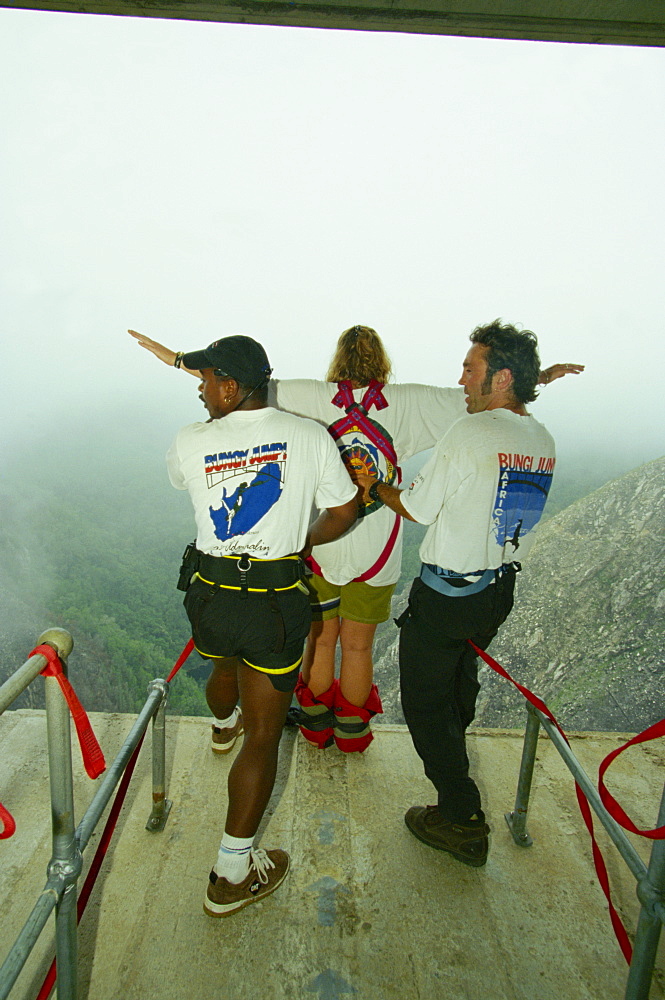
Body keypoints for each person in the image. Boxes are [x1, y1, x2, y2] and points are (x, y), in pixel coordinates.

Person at [129, 326, 582, 755]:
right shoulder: (412, 402)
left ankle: (314, 725)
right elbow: (489, 395)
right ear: (383, 363)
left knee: (320, 643)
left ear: (337, 360)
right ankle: (351, 732)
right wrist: (538, 377)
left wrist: (174, 359)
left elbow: (243, 381)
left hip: (321, 540)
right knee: (360, 646)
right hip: (378, 545)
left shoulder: (312, 396)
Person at [356, 320, 560, 869]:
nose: (462, 379)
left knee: (424, 705)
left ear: (502, 377)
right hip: (496, 590)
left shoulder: (470, 435)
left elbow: (419, 508)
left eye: (471, 369)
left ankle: (461, 815)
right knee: (458, 679)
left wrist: (375, 488)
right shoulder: (539, 438)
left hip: (447, 596)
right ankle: (456, 742)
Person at [166, 334, 357, 916]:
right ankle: (231, 872)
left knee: (223, 664)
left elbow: (184, 485)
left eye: (204, 379)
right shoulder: (308, 436)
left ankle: (221, 723)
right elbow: (346, 510)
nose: (199, 389)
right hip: (273, 600)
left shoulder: (190, 441)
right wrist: (300, 539)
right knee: (265, 735)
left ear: (231, 384)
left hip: (211, 595)